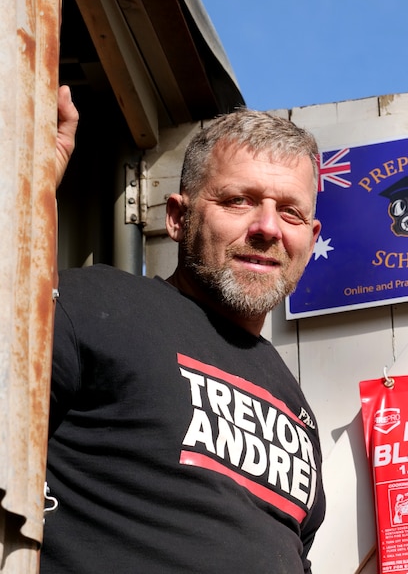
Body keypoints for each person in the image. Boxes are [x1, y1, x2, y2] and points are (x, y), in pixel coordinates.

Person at [43, 87, 326, 573]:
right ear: (177, 218)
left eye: (291, 212)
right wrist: (24, 189)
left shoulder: (298, 410)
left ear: (310, 238)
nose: (268, 228)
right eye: (239, 201)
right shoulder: (94, 305)